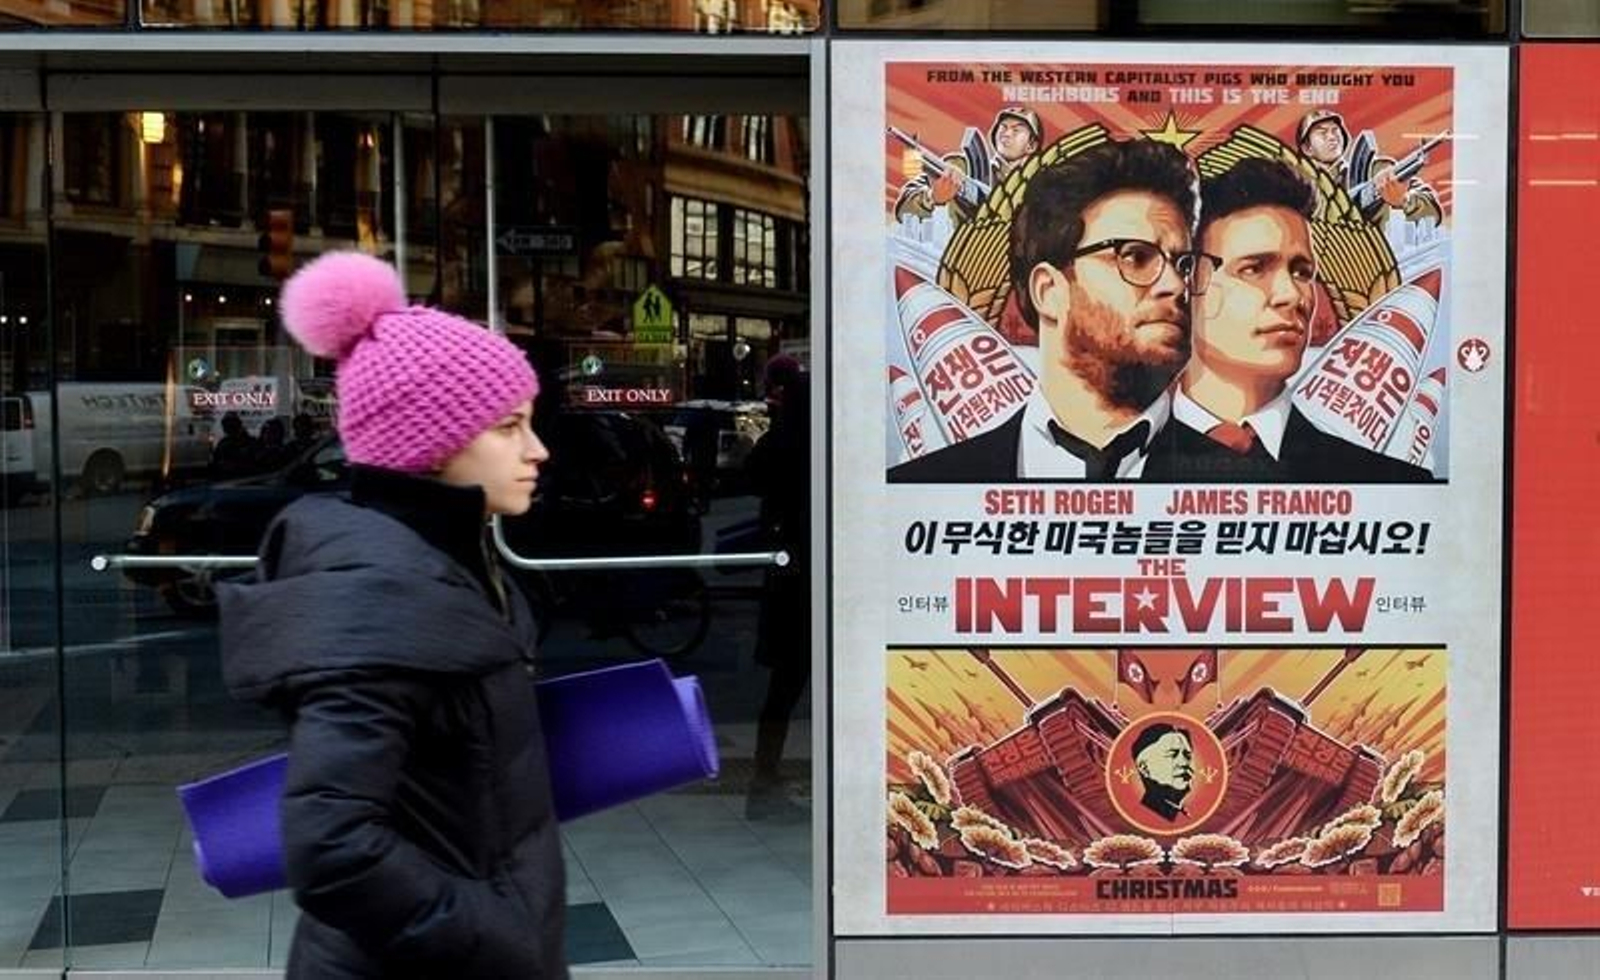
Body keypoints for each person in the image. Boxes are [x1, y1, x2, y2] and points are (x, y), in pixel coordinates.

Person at [216, 252, 567, 979]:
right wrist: (501, 941)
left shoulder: (449, 564)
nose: (537, 450)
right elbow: (332, 844)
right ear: (431, 444)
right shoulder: (381, 600)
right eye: (509, 426)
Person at [889, 138, 1200, 483]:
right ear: (1048, 290)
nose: (1176, 284)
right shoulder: (925, 485)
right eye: (1136, 257)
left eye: (1185, 265)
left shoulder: (1240, 483)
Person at [1157, 158, 1433, 483]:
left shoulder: (1393, 483)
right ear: (1186, 282)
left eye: (1302, 272)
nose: (1292, 294)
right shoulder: (1117, 469)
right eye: (1254, 268)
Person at [744, 355, 810, 820]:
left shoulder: (780, 440)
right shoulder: (821, 441)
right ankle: (765, 782)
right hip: (815, 581)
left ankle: (764, 777)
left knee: (783, 689)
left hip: (789, 579)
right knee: (802, 686)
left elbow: (751, 477)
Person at [895, 106, 1043, 225]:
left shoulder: (1036, 192)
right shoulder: (960, 166)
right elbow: (903, 209)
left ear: (1031, 145)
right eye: (1003, 127)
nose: (1007, 133)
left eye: (1016, 130)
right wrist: (931, 198)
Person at [1297, 109, 1442, 226]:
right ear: (1307, 148)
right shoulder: (1305, 194)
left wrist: (1404, 201)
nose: (1332, 137)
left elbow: (1433, 211)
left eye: (1335, 130)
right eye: (1322, 133)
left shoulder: (1376, 170)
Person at [1131, 722, 1196, 823]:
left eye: (1187, 756)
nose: (1183, 763)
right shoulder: (1143, 817)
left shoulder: (1185, 815)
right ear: (1144, 768)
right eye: (1172, 755)